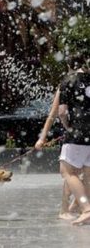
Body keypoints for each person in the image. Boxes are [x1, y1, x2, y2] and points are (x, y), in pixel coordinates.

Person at [35, 88, 79, 220]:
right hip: (73, 138)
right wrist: (42, 138)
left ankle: (75, 206)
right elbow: (54, 114)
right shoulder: (66, 85)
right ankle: (65, 209)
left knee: (83, 175)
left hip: (82, 136)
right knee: (72, 174)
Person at [58, 54, 90, 225]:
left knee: (67, 171)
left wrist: (67, 127)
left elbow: (62, 112)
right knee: (88, 175)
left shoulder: (68, 81)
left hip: (78, 132)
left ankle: (86, 209)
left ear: (69, 66)